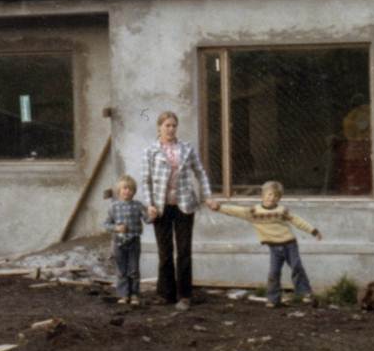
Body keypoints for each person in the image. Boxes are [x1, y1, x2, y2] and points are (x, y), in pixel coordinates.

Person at [140, 110, 217, 311]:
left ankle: (184, 295)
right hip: (161, 208)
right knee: (165, 252)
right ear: (159, 127)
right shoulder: (150, 151)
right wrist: (150, 205)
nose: (171, 129)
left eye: (174, 125)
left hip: (184, 205)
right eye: (167, 125)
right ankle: (165, 294)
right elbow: (146, 180)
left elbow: (200, 173)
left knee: (184, 251)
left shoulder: (186, 149)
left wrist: (207, 196)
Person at [211, 180, 322, 308]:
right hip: (274, 247)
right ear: (263, 196)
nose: (272, 198)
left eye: (276, 196)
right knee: (274, 272)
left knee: (297, 267)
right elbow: (237, 211)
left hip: (289, 244)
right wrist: (219, 208)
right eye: (269, 194)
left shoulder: (282, 211)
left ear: (279, 198)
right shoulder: (254, 212)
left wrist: (313, 231)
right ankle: (273, 300)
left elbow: (297, 221)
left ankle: (305, 293)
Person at [103, 174, 147, 306]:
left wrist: (152, 214)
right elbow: (106, 224)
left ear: (134, 192)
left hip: (134, 241)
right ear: (119, 190)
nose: (127, 191)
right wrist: (116, 228)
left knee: (133, 270)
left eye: (130, 189)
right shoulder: (114, 207)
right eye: (125, 188)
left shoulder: (138, 206)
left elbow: (148, 219)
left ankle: (134, 294)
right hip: (118, 243)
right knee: (121, 270)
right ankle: (123, 295)